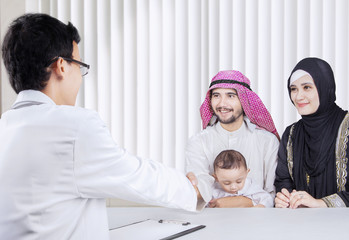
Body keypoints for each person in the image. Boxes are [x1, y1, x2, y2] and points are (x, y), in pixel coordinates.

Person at [0, 13, 201, 240]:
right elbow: (135, 177)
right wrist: (191, 191)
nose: (80, 77)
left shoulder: (5, 127)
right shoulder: (74, 127)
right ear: (61, 66)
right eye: (79, 66)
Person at [186, 70, 280, 208]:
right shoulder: (198, 142)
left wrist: (239, 202)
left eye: (231, 96)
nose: (222, 103)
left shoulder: (267, 141)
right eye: (216, 95)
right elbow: (200, 193)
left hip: (258, 223)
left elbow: (273, 196)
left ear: (244, 100)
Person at [274, 57, 349, 208]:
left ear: (325, 87)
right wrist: (284, 198)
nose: (298, 96)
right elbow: (283, 181)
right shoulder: (291, 134)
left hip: (348, 227)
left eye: (307, 87)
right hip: (301, 227)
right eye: (293, 89)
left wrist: (321, 203)